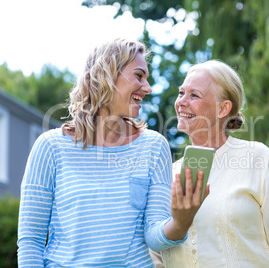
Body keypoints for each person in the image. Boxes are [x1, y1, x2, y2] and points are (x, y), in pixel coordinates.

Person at [17, 38, 206, 267]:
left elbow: (154, 238)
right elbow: (31, 243)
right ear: (107, 74)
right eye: (139, 76)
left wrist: (181, 222)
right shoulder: (50, 147)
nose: (147, 88)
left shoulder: (154, 146)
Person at [159, 60, 269, 267]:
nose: (181, 102)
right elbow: (155, 256)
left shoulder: (258, 159)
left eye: (194, 95)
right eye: (181, 93)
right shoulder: (166, 175)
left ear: (223, 109)